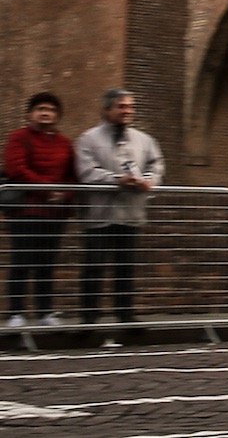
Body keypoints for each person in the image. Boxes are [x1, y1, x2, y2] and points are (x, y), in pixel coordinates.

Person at [74, 88, 163, 332]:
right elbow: (86, 172)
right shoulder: (88, 139)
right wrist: (116, 179)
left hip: (130, 213)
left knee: (126, 267)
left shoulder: (144, 140)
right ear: (106, 110)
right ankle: (88, 319)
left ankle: (126, 315)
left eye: (130, 107)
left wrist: (149, 181)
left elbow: (156, 165)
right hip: (99, 214)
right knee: (94, 266)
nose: (127, 111)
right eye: (121, 106)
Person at [4, 92, 76, 328]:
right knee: (21, 260)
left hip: (54, 213)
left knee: (47, 262)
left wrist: (64, 194)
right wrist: (47, 190)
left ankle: (45, 311)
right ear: (30, 113)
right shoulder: (19, 138)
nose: (46, 113)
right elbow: (16, 169)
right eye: (41, 109)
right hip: (25, 211)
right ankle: (16, 313)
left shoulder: (65, 143)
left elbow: (73, 175)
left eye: (51, 110)